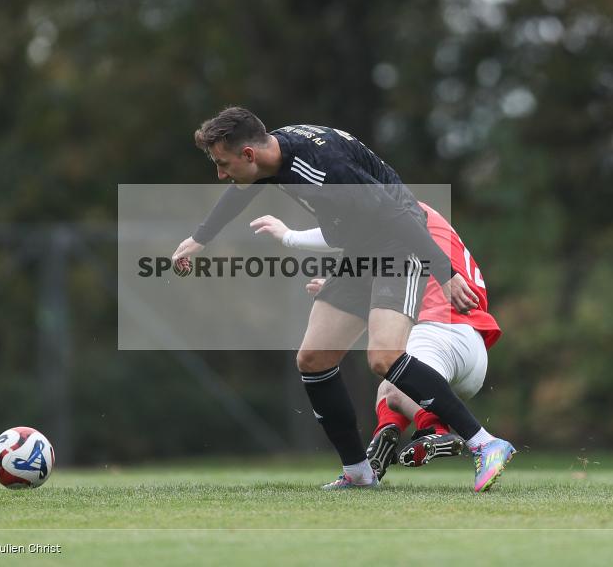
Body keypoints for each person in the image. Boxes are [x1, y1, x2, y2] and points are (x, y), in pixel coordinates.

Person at [174, 107, 514, 492]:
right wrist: (201, 238)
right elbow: (241, 190)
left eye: (223, 164)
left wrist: (444, 272)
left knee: (383, 358)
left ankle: (485, 443)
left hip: (396, 243)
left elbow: (396, 215)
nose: (221, 174)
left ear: (249, 155)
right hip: (361, 248)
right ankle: (358, 471)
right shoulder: (274, 148)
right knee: (314, 358)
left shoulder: (326, 168)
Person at [253, 202, 501, 481]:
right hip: (467, 346)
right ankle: (386, 434)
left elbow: (339, 235)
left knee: (393, 378)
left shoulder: (400, 212)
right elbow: (397, 280)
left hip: (442, 332)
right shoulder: (412, 225)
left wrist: (289, 236)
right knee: (387, 385)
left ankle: (446, 433)